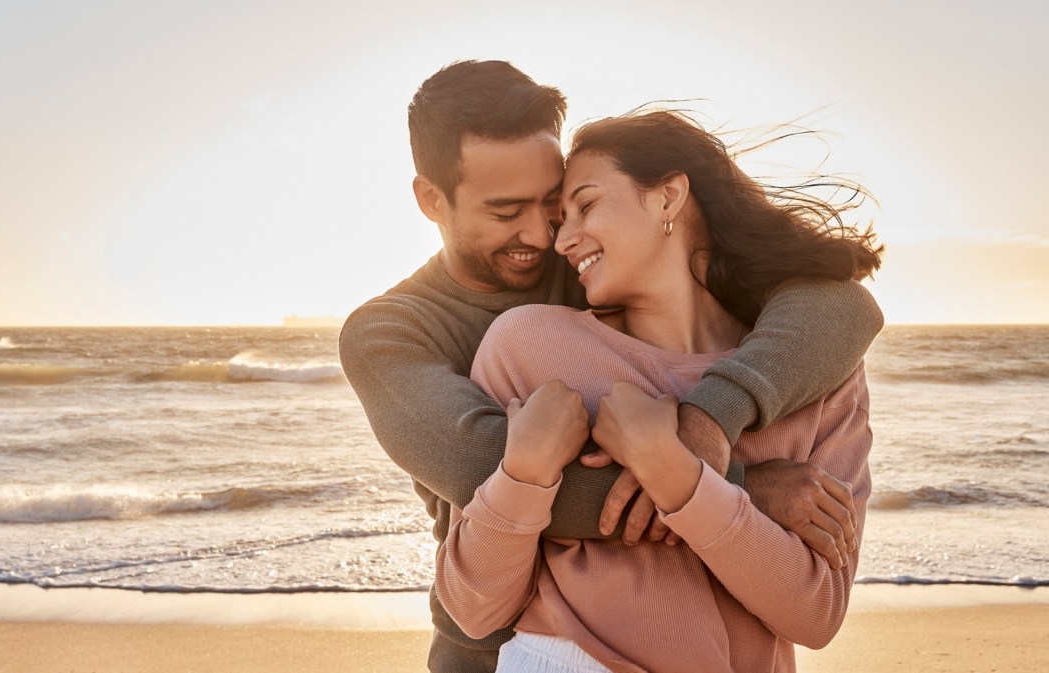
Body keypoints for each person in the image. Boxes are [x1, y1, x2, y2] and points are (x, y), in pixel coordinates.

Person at [338, 60, 883, 673]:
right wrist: (743, 488)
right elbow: (485, 467)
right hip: (490, 651)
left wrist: (709, 417)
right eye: (504, 210)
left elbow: (838, 307)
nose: (545, 237)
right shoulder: (390, 333)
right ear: (430, 200)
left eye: (553, 203)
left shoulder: (602, 269)